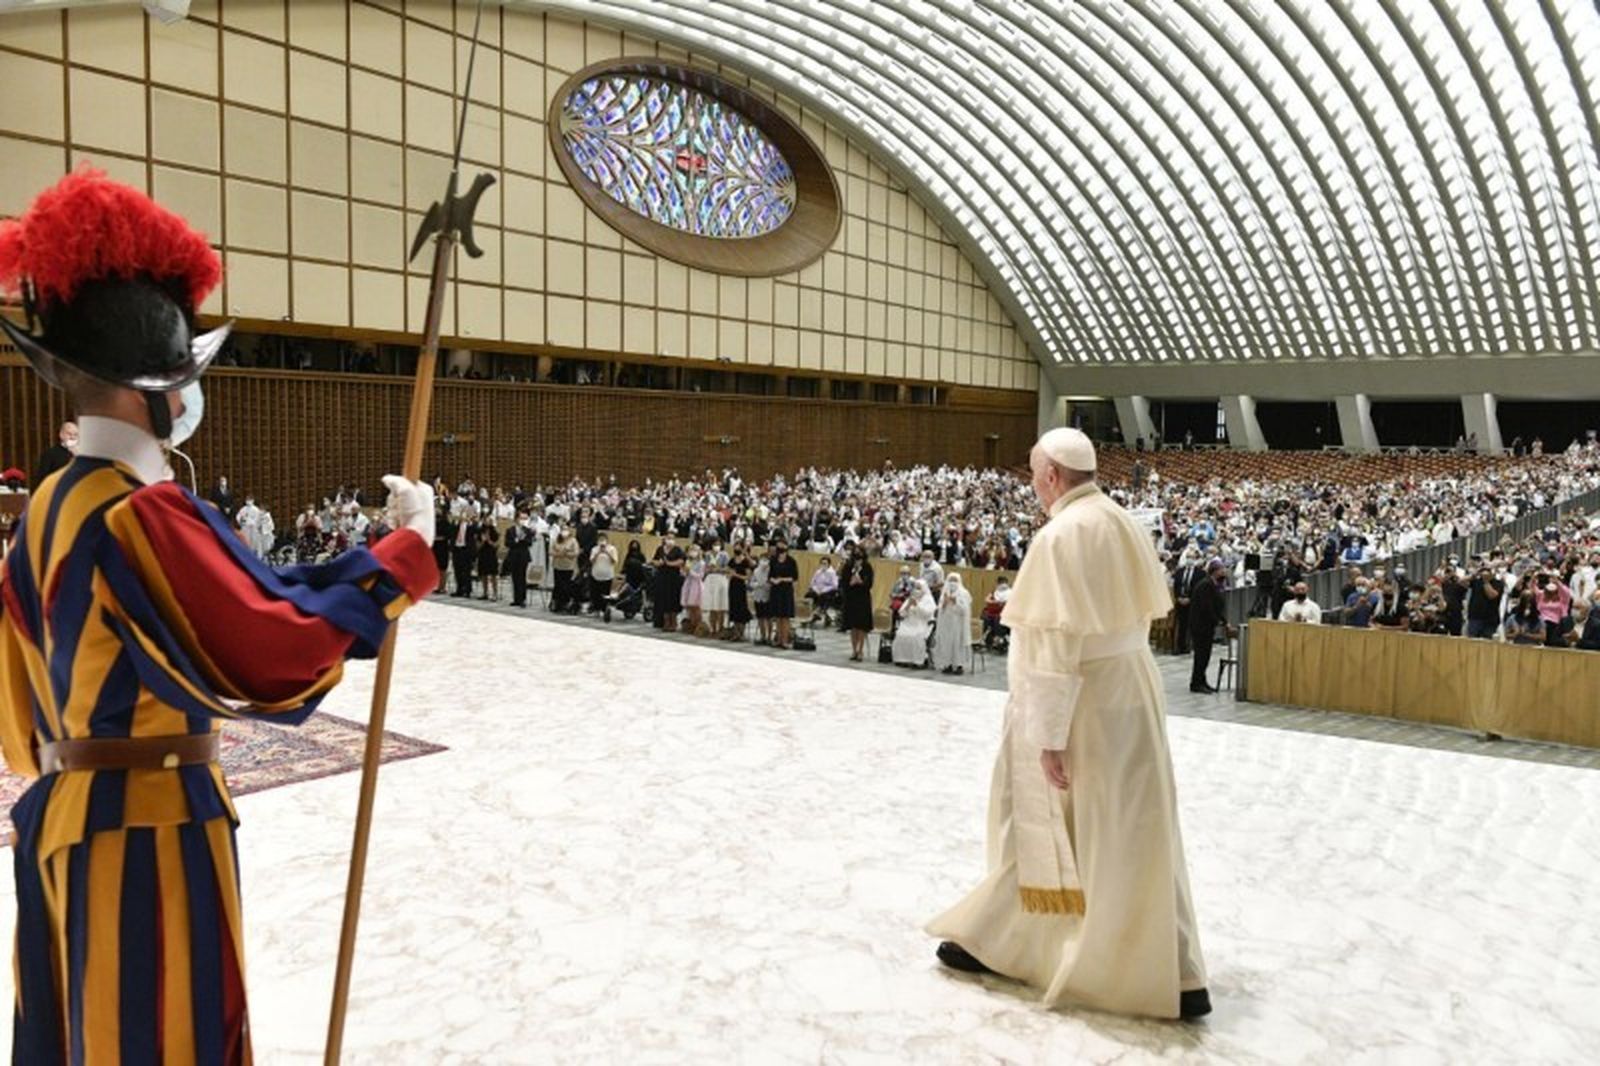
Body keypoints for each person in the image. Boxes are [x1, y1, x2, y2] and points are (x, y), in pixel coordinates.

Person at [0, 168, 439, 1062]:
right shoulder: (137, 510)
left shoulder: (48, 505)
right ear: (149, 389)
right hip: (147, 826)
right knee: (159, 1038)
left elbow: (16, 708)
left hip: (63, 816)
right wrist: (403, 557)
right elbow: (264, 645)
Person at [927, 427, 1209, 1020]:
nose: (1033, 488)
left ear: (1052, 476)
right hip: (1132, 686)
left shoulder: (1061, 535)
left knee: (1044, 828)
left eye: (1034, 477)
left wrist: (1048, 737)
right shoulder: (1123, 520)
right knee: (1135, 829)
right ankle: (1178, 973)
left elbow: (1052, 644)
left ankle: (1013, 947)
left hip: (1083, 703)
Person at [1188, 559, 1231, 694]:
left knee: (1205, 655)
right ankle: (1196, 683)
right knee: (1201, 655)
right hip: (1201, 626)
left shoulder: (1213, 584)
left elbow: (1217, 607)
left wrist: (1224, 621)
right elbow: (1207, 607)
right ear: (1215, 571)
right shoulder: (1206, 585)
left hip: (1207, 626)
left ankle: (1202, 680)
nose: (1224, 572)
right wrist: (1218, 621)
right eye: (1221, 570)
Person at [932, 571, 974, 674]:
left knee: (957, 643)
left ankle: (959, 665)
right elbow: (940, 608)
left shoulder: (964, 593)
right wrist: (945, 603)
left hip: (958, 623)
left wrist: (955, 602)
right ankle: (948, 664)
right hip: (946, 623)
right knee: (947, 643)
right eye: (950, 580)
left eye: (955, 580)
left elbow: (965, 610)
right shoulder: (944, 592)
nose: (952, 583)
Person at [841, 543, 875, 662]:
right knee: (853, 626)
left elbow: (870, 583)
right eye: (855, 551)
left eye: (859, 551)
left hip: (862, 598)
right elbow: (843, 581)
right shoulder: (848, 566)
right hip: (851, 597)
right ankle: (854, 649)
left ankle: (861, 650)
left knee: (861, 626)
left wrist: (860, 582)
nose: (857, 554)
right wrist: (850, 582)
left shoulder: (867, 567)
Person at [892, 580, 936, 667]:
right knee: (901, 634)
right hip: (909, 622)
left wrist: (917, 605)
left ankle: (917, 660)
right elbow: (902, 613)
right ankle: (902, 659)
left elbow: (927, 614)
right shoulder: (911, 598)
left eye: (919, 588)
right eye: (916, 588)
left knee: (915, 637)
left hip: (921, 624)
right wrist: (908, 605)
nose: (917, 590)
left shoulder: (928, 600)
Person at [30, 419, 77, 490]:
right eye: (69, 434)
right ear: (61, 435)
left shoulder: (82, 454)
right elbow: (42, 479)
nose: (72, 437)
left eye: (75, 435)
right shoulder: (50, 454)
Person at [768, 543, 799, 649]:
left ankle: (785, 640)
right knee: (777, 616)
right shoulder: (773, 560)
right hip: (776, 590)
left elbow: (794, 577)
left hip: (786, 590)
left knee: (785, 617)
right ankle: (778, 639)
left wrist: (782, 579)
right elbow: (770, 575)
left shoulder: (791, 561)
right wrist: (773, 580)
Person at [653, 535, 685, 632]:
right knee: (664, 599)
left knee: (673, 599)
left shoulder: (677, 549)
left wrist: (669, 563)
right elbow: (654, 560)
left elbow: (681, 561)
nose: (669, 541)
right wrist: (659, 563)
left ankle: (673, 622)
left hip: (674, 578)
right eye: (668, 539)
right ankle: (666, 622)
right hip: (662, 577)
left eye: (671, 539)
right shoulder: (660, 549)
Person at [504, 512, 534, 607]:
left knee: (522, 577)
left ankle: (523, 599)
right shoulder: (510, 530)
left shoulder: (527, 530)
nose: (523, 520)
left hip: (523, 556)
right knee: (515, 578)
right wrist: (515, 541)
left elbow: (529, 543)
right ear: (516, 519)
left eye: (525, 518)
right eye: (521, 518)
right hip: (513, 556)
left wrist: (522, 540)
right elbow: (507, 543)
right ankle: (516, 599)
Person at [702, 540, 730, 636]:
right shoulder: (707, 555)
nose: (716, 546)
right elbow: (704, 568)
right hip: (710, 580)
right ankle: (712, 629)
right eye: (715, 545)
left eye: (718, 544)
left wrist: (719, 568)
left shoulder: (724, 555)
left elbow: (728, 569)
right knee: (712, 606)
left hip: (720, 579)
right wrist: (709, 568)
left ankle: (720, 628)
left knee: (720, 606)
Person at [550, 526, 581, 613]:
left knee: (566, 586)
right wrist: (558, 554)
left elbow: (576, 552)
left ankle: (565, 604)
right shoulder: (557, 540)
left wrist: (567, 554)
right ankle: (557, 604)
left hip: (568, 567)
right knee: (558, 585)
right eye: (563, 530)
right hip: (557, 566)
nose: (564, 532)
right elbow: (551, 551)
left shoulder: (573, 540)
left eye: (566, 530)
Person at [727, 544, 753, 640]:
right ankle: (736, 632)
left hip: (741, 586)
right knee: (733, 607)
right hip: (732, 586)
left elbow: (748, 576)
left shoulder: (745, 562)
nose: (736, 549)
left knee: (741, 608)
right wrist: (729, 575)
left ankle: (741, 633)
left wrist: (736, 575)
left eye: (738, 547)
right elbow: (729, 572)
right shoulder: (732, 560)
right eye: (735, 547)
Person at [589, 533, 618, 618]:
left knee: (605, 594)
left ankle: (605, 610)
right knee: (595, 594)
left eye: (603, 539)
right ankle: (596, 609)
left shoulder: (612, 549)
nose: (602, 541)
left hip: (607, 575)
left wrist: (606, 552)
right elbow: (592, 561)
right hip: (596, 574)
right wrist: (598, 552)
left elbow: (614, 561)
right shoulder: (594, 549)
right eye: (600, 540)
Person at [806, 555, 841, 625]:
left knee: (823, 597)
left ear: (828, 564)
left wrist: (823, 590)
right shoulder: (818, 572)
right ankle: (811, 613)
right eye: (822, 563)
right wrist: (816, 589)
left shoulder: (832, 573)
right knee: (809, 594)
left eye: (825, 563)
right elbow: (812, 583)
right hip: (818, 590)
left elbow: (835, 585)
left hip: (828, 591)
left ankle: (818, 612)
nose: (823, 565)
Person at [750, 548, 772, 644]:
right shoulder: (756, 571)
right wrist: (757, 585)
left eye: (766, 560)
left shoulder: (771, 571)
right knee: (760, 617)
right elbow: (751, 582)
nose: (764, 562)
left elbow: (770, 583)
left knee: (768, 618)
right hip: (757, 595)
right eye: (762, 559)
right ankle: (762, 636)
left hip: (767, 596)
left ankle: (769, 637)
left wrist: (765, 585)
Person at [475, 522, 500, 601]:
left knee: (493, 575)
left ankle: (495, 594)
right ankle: (485, 593)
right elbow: (477, 546)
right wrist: (482, 541)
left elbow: (496, 545)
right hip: (483, 554)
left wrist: (489, 540)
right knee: (483, 574)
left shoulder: (495, 533)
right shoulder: (480, 532)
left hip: (492, 555)